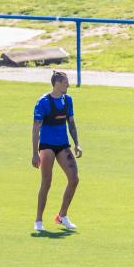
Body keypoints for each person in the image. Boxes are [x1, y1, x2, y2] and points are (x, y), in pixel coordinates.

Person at [32, 71, 82, 232]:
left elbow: (71, 124)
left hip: (63, 145)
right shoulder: (43, 102)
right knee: (46, 183)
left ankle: (62, 215)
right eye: (66, 82)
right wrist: (34, 153)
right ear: (57, 83)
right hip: (47, 145)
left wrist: (77, 144)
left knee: (74, 179)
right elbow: (35, 129)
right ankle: (38, 221)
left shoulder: (68, 101)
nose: (68, 84)